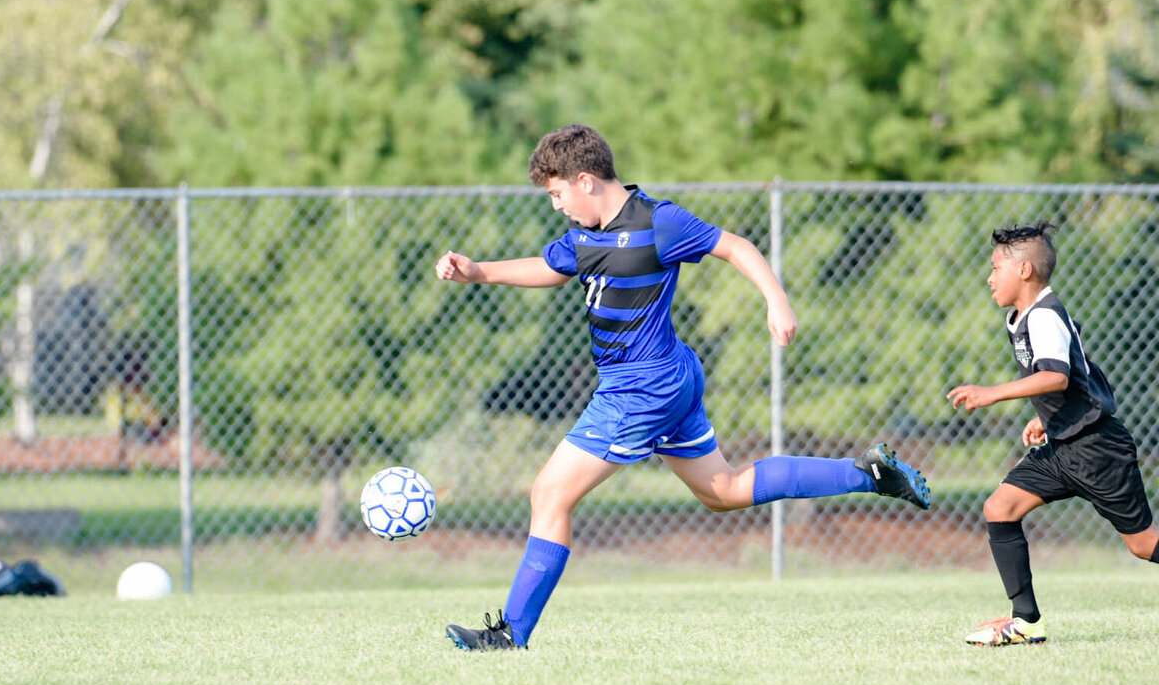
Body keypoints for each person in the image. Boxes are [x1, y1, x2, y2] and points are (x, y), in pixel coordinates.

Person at [436, 124, 930, 651]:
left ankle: (511, 634)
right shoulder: (583, 236)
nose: (556, 206)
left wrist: (776, 300)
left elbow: (736, 247)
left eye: (557, 194)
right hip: (669, 376)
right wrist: (479, 271)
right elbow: (552, 268)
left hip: (642, 386)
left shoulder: (659, 221)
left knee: (549, 493)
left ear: (585, 180)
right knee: (724, 491)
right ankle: (869, 475)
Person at [947, 221, 1159, 646]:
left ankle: (1026, 620)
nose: (989, 277)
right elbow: (1078, 373)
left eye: (996, 268)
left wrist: (992, 394)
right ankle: (1025, 621)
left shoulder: (1044, 314)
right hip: (1064, 445)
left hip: (1098, 449)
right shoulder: (1026, 316)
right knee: (999, 508)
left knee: (1143, 546)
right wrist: (1048, 418)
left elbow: (1057, 376)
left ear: (1024, 271)